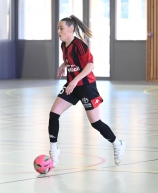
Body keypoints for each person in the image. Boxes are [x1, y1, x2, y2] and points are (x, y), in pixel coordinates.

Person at [48, 15, 126, 168]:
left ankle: (117, 143)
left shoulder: (80, 45)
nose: (58, 31)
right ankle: (53, 150)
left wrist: (76, 79)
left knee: (95, 123)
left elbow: (90, 65)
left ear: (71, 29)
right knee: (54, 114)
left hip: (86, 86)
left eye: (61, 28)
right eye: (58, 28)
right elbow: (72, 59)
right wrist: (63, 65)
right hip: (72, 85)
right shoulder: (64, 45)